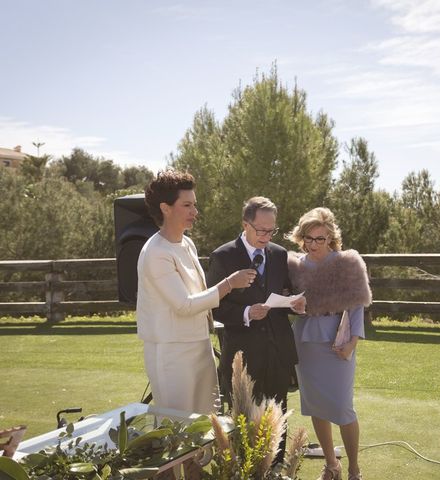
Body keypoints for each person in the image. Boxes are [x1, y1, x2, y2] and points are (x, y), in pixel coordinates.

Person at [136, 169, 256, 415]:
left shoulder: (187, 243)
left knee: (207, 422)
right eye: (187, 205)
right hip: (171, 352)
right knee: (178, 427)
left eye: (195, 204)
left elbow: (199, 293)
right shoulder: (156, 252)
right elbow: (184, 305)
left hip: (200, 345)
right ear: (165, 208)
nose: (195, 212)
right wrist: (229, 284)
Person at [206, 196, 305, 462]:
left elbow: (281, 293)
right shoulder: (223, 256)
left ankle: (276, 469)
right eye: (261, 230)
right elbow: (213, 306)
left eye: (271, 230)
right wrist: (246, 313)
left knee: (278, 416)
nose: (266, 236)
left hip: (278, 351)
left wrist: (293, 303)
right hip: (243, 354)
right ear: (245, 224)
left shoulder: (279, 253)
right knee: (245, 420)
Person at [287, 207, 371, 480]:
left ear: (331, 238)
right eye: (308, 239)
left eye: (319, 239)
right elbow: (286, 302)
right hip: (306, 342)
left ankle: (354, 468)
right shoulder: (294, 265)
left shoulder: (348, 263)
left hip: (339, 342)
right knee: (316, 405)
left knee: (343, 407)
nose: (313, 245)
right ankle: (331, 464)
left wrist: (353, 343)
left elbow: (358, 306)